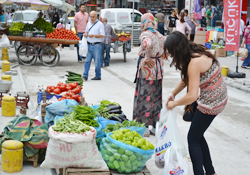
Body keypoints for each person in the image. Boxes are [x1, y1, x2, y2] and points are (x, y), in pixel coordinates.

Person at [164, 31, 228, 175]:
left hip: (212, 102)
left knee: (192, 138)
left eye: (172, 53)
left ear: (177, 50)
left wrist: (174, 104)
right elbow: (187, 79)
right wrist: (173, 94)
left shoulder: (194, 62)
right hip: (219, 96)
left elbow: (192, 96)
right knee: (198, 135)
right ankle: (211, 172)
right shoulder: (195, 50)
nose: (172, 56)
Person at [133, 13, 166, 137]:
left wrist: (147, 57)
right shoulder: (159, 35)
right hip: (158, 71)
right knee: (156, 98)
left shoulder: (146, 34)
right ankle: (155, 126)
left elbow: (146, 44)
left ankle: (144, 127)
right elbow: (165, 48)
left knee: (145, 96)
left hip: (148, 70)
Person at [82, 11, 105, 81]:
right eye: (90, 16)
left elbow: (103, 35)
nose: (91, 18)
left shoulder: (100, 24)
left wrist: (94, 36)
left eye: (93, 17)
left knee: (97, 62)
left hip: (97, 46)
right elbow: (86, 31)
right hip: (89, 45)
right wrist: (85, 34)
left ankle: (98, 76)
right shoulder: (88, 23)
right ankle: (85, 75)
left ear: (96, 16)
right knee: (87, 61)